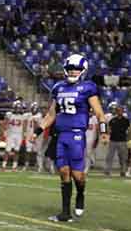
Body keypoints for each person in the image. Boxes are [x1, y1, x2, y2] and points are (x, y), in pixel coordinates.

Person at [34, 54, 108, 221]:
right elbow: (51, 115)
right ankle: (65, 213)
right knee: (63, 172)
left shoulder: (88, 87)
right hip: (61, 135)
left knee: (77, 175)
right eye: (70, 69)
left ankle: (80, 194)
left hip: (76, 134)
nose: (73, 72)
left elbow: (99, 113)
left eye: (77, 69)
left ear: (83, 71)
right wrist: (37, 132)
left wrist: (104, 132)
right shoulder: (59, 87)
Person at [104, 102, 130, 176]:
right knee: (109, 157)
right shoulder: (112, 120)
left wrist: (129, 139)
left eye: (121, 110)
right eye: (118, 110)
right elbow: (108, 129)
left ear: (123, 111)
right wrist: (106, 138)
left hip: (122, 140)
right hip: (113, 140)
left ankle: (123, 171)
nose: (119, 112)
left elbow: (130, 129)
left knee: (123, 158)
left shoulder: (126, 120)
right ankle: (107, 170)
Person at [2, 100, 27, 170]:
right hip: (11, 133)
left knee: (17, 150)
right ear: (14, 107)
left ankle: (14, 166)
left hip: (19, 134)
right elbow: (5, 123)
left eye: (19, 108)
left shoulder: (23, 116)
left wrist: (24, 134)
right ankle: (4, 165)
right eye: (17, 108)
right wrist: (5, 131)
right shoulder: (9, 114)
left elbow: (24, 125)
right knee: (7, 150)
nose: (18, 109)